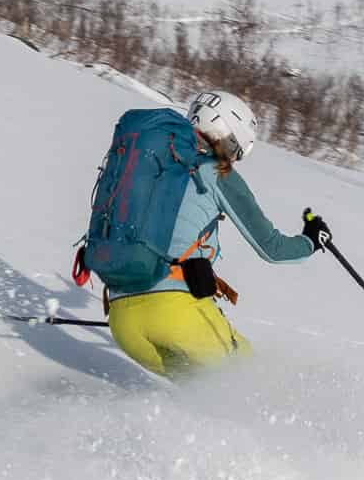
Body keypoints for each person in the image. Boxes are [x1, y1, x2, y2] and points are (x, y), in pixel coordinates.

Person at [97, 89, 330, 377]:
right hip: (175, 314)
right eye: (235, 148)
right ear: (224, 133)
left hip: (122, 322)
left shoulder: (149, 162)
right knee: (252, 380)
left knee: (205, 403)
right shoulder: (216, 171)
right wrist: (311, 240)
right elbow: (272, 248)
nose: (231, 158)